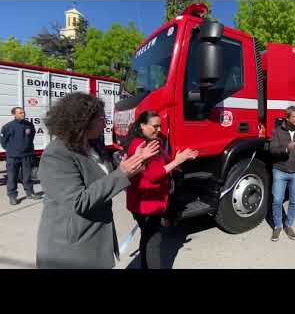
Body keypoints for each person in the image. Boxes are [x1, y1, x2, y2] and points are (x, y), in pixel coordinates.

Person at [36, 93, 159, 269]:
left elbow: (105, 176)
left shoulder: (93, 144)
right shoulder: (57, 154)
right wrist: (122, 173)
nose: (106, 122)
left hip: (96, 240)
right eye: (101, 118)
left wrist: (134, 160)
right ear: (83, 121)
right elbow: (78, 201)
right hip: (71, 250)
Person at [126, 110, 198, 269]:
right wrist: (177, 161)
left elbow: (165, 162)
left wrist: (179, 160)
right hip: (146, 202)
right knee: (154, 240)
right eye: (154, 126)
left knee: (147, 236)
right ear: (142, 126)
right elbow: (153, 175)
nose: (159, 130)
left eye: (160, 126)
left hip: (149, 201)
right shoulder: (140, 145)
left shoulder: (153, 142)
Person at [269, 106, 295, 242]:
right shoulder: (277, 131)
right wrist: (286, 149)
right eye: (294, 117)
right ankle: (277, 226)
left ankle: (288, 225)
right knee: (277, 200)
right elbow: (272, 150)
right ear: (287, 118)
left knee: (294, 201)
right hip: (280, 170)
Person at [1, 107, 42, 205]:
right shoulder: (8, 126)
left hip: (27, 155)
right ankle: (12, 196)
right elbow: (3, 141)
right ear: (14, 114)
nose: (23, 114)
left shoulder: (29, 125)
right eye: (20, 113)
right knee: (12, 177)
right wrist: (11, 150)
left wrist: (26, 147)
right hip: (13, 157)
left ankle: (30, 193)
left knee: (27, 176)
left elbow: (31, 137)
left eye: (23, 112)